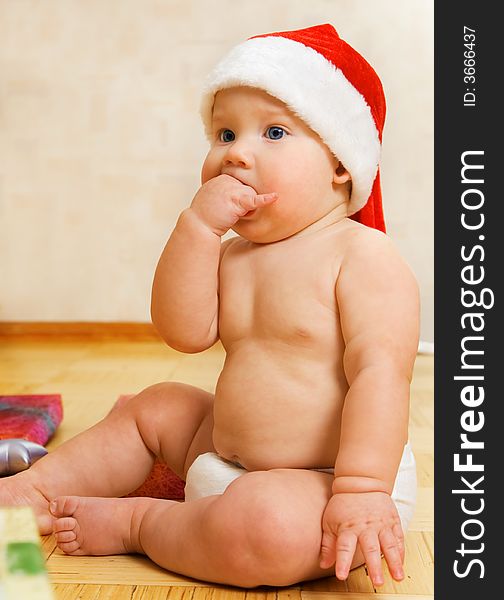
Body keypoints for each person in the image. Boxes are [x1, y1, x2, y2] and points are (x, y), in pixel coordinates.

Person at [0, 24, 419, 589]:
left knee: (267, 526)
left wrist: (364, 489)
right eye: (224, 133)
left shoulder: (362, 255)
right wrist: (197, 229)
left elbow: (381, 375)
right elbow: (184, 331)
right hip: (224, 455)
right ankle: (31, 492)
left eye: (273, 132)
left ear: (341, 163)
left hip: (327, 484)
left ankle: (142, 524)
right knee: (156, 407)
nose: (236, 154)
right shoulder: (234, 255)